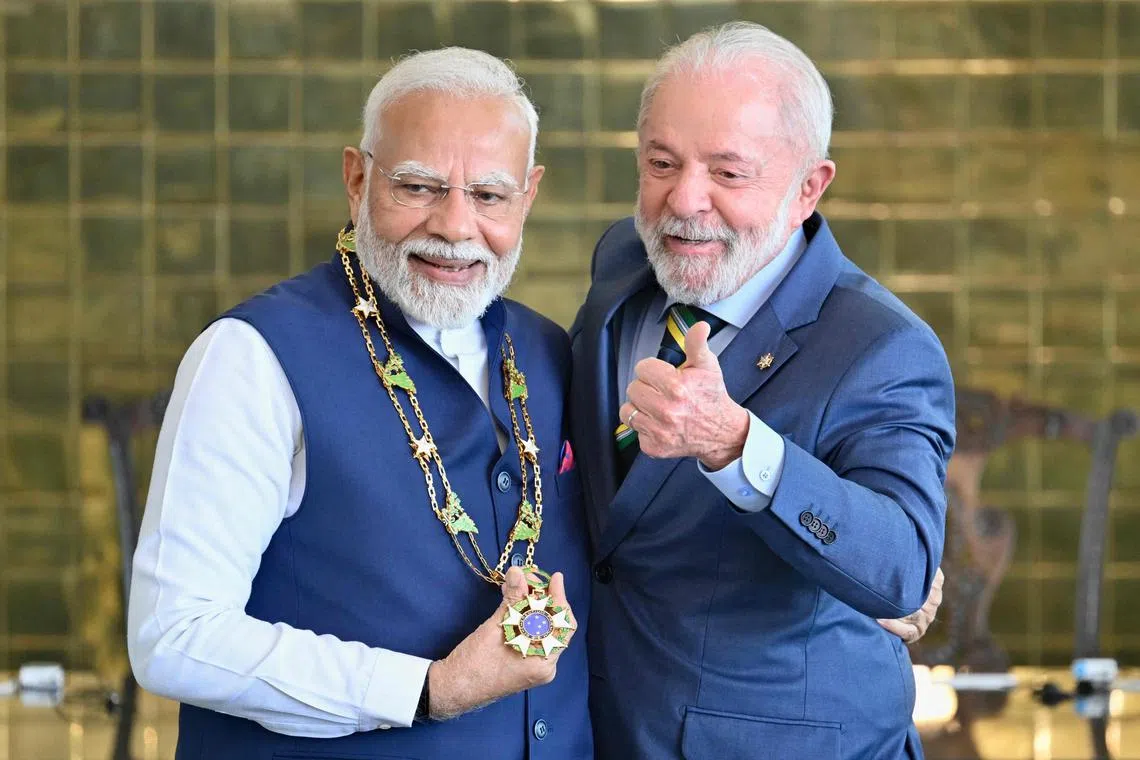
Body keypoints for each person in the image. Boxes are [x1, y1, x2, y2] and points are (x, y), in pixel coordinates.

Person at [127, 48, 593, 759]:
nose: (456, 226)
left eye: (490, 196)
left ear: (528, 195)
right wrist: (426, 689)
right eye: (418, 186)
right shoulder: (250, 356)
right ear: (356, 177)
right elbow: (173, 635)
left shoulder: (553, 351)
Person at [569, 22, 955, 760]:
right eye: (661, 163)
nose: (685, 201)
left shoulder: (883, 346)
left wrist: (733, 443)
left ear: (810, 187)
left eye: (729, 173)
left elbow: (903, 567)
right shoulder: (623, 260)